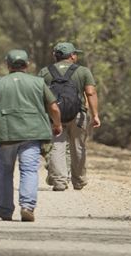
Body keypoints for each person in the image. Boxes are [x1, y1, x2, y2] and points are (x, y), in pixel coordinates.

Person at [0, 49, 62, 222]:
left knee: (5, 172)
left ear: (7, 65)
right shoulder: (38, 82)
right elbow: (53, 107)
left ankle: (5, 209)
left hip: (5, 134)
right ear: (27, 64)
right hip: (31, 134)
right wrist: (57, 124)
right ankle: (27, 206)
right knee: (29, 171)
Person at [38, 42, 100, 191]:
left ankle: (59, 181)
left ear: (55, 56)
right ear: (72, 56)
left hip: (54, 116)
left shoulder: (45, 72)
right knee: (78, 147)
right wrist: (95, 114)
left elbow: (39, 95)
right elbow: (90, 92)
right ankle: (78, 181)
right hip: (78, 115)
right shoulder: (83, 71)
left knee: (56, 147)